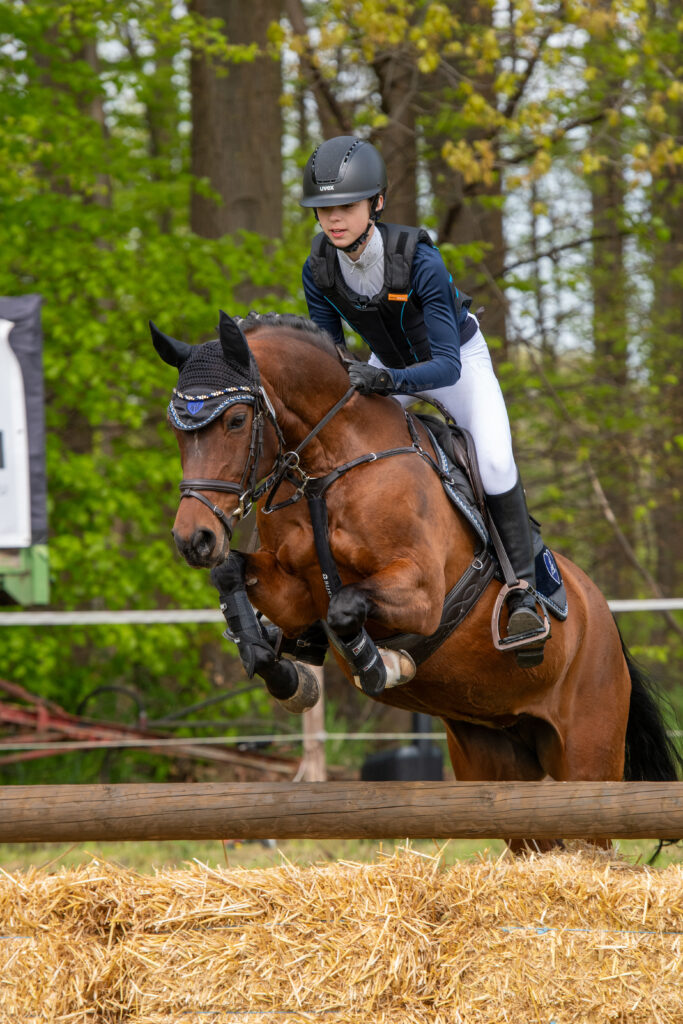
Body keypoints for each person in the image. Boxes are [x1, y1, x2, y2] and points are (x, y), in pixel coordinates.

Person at [300, 135, 546, 659]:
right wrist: (356, 383)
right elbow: (331, 356)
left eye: (345, 205)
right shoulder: (318, 269)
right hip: (385, 368)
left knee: (497, 462)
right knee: (331, 443)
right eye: (323, 209)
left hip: (456, 361)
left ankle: (524, 591)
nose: (333, 219)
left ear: (377, 203)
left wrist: (387, 383)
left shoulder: (420, 261)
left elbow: (445, 365)